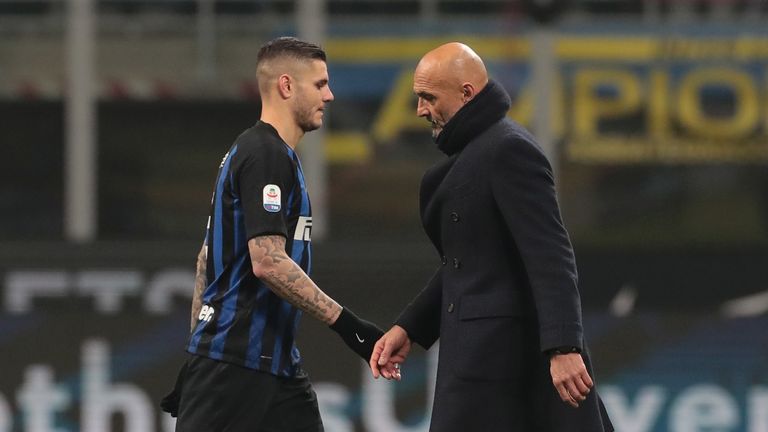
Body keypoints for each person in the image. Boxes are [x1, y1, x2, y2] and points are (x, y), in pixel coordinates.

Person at [369, 42, 614, 431]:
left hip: (505, 364)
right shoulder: (476, 153)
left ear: (466, 94)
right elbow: (469, 259)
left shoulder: (509, 150)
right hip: (477, 361)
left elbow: (551, 254)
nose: (420, 110)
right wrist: (411, 327)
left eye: (428, 97)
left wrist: (564, 347)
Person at [161, 36, 401, 432]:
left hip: (272, 364)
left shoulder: (261, 153)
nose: (331, 95)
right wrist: (350, 328)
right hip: (236, 363)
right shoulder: (266, 155)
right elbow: (268, 261)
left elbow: (206, 258)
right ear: (287, 86)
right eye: (320, 84)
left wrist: (198, 347)